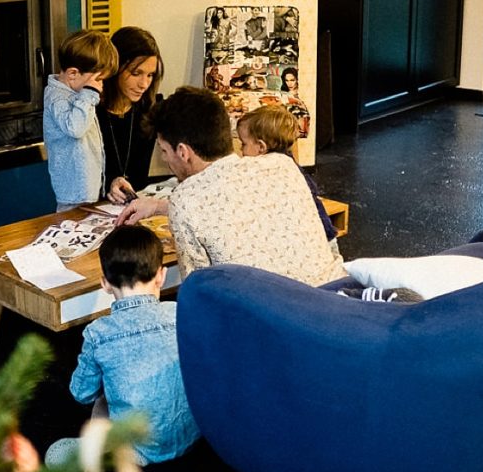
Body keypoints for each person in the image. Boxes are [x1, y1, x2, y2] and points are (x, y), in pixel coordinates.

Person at [116, 86, 347, 286]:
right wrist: (158, 206)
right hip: (336, 301)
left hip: (271, 328)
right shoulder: (282, 164)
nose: (165, 159)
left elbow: (199, 292)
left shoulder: (185, 200)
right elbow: (231, 201)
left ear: (183, 152)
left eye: (164, 151)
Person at [46, 225, 200, 467]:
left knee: (100, 399)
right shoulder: (180, 313)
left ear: (105, 284)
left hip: (135, 449)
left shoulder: (99, 333)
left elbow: (81, 393)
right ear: (161, 275)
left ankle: (98, 451)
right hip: (192, 437)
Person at [236, 105, 342, 261]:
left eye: (243, 144)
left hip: (319, 239)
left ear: (261, 147)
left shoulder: (276, 172)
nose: (240, 150)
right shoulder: (288, 163)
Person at [42, 29, 119, 211]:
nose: (100, 87)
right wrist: (89, 94)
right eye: (98, 80)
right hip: (73, 190)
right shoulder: (57, 98)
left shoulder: (77, 92)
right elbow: (75, 128)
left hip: (87, 184)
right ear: (73, 74)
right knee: (71, 229)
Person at [97, 27, 165, 205]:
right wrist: (109, 185)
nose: (144, 84)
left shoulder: (151, 107)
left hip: (138, 206)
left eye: (150, 75)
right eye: (136, 73)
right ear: (115, 68)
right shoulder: (91, 111)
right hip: (96, 206)